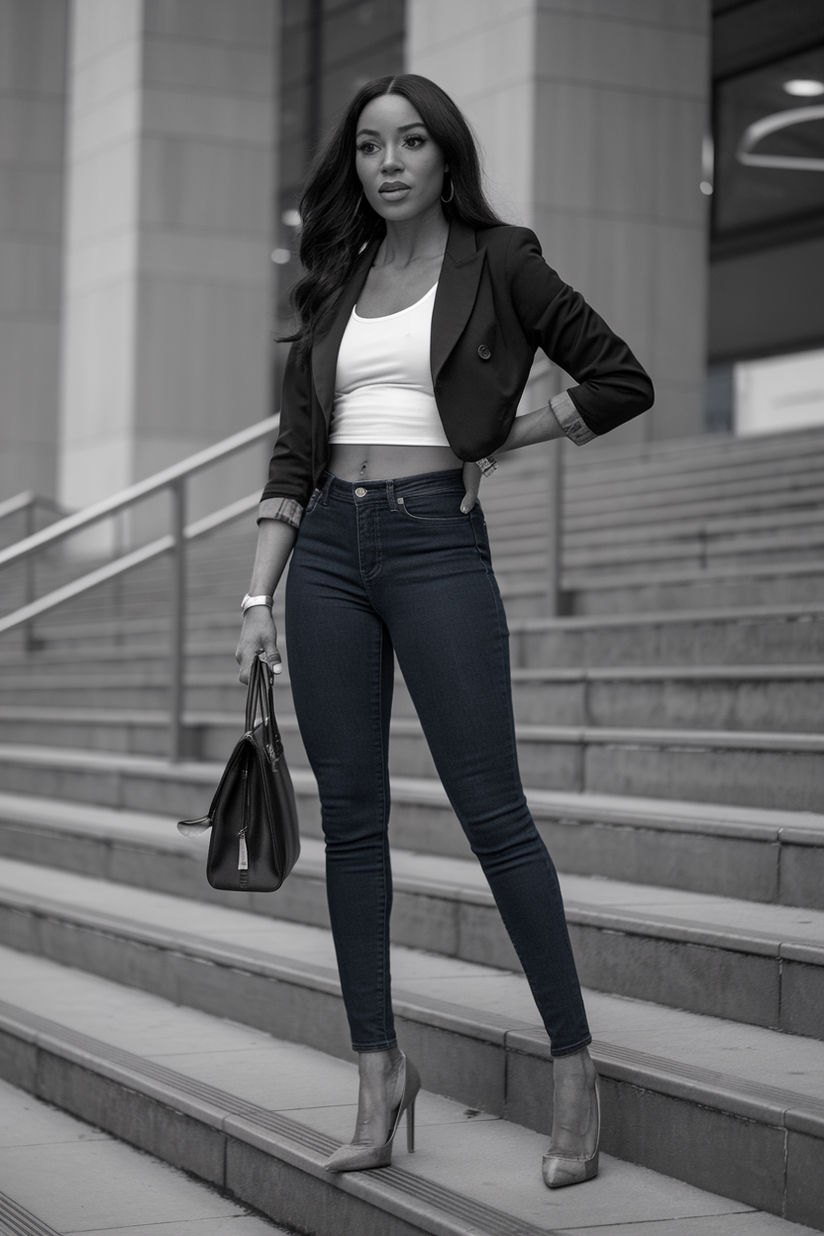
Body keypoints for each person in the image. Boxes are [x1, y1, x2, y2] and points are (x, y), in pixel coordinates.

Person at [236, 73, 653, 1188]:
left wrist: (500, 439)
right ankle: (377, 1073)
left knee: (491, 812)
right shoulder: (331, 284)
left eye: (410, 142)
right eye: (370, 145)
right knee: (354, 824)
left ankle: (572, 1066)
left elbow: (619, 378)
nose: (388, 162)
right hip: (324, 554)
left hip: (433, 541)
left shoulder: (500, 259)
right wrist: (254, 598)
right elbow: (291, 454)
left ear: (443, 155)